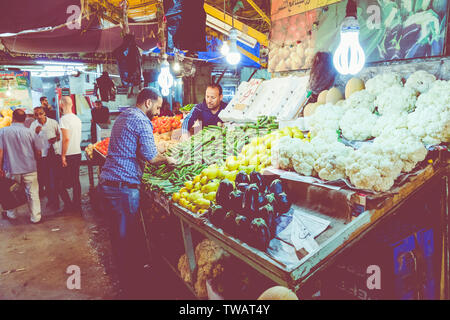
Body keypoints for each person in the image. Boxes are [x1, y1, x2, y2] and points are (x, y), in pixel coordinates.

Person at [98, 87, 164, 298]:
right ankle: (133, 287)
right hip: (123, 187)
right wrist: (169, 160)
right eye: (157, 107)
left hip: (109, 184)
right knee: (128, 239)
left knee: (119, 237)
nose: (158, 112)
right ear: (147, 103)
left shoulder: (123, 116)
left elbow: (134, 148)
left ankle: (126, 280)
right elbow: (151, 157)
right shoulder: (141, 120)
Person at [0, 109, 43, 223]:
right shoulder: (30, 132)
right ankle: (35, 217)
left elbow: (0, 152)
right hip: (30, 168)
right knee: (33, 192)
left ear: (13, 118)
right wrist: (36, 163)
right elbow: (39, 152)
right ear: (25, 119)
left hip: (11, 168)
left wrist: (0, 168)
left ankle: (12, 214)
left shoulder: (3, 132)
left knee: (10, 191)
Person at [30, 107, 71, 211]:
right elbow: (30, 140)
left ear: (44, 113)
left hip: (54, 154)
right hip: (42, 157)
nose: (39, 116)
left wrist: (55, 139)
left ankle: (67, 203)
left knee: (58, 181)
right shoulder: (33, 125)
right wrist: (35, 133)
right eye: (36, 114)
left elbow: (60, 136)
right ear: (34, 115)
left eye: (41, 113)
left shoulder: (53, 122)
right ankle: (53, 202)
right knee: (46, 181)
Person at [59, 96, 82, 213]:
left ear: (61, 105)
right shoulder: (76, 118)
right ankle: (77, 205)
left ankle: (68, 205)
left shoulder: (64, 119)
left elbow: (66, 139)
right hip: (77, 153)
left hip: (68, 155)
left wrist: (63, 156)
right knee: (75, 180)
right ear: (72, 105)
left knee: (60, 183)